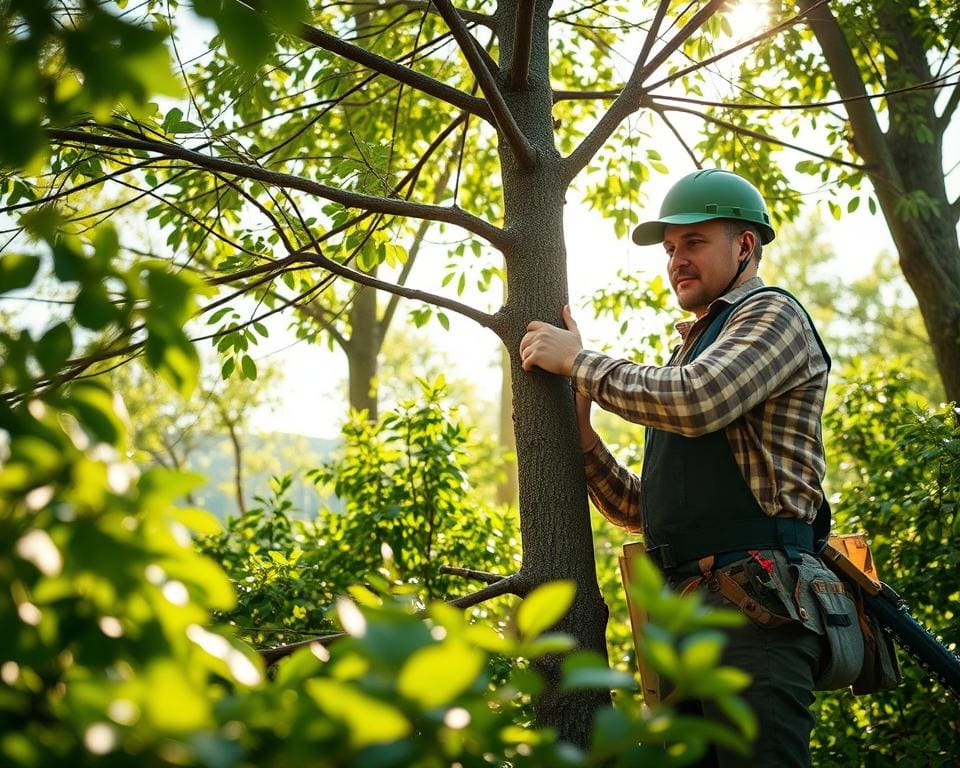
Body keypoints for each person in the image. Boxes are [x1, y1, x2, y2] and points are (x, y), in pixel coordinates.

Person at [519, 169, 853, 767]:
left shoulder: (771, 315)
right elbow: (649, 512)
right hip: (684, 612)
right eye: (671, 249)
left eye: (694, 243)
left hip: (760, 606)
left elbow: (697, 400)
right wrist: (585, 442)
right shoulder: (691, 351)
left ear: (745, 246)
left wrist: (579, 362)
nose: (676, 260)